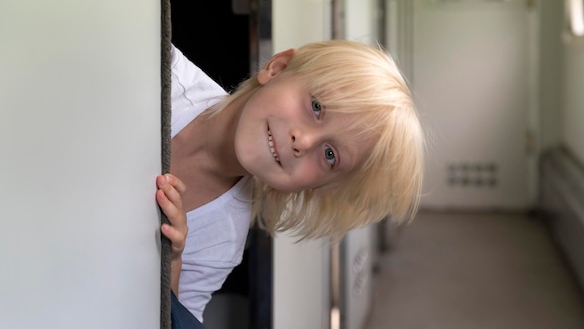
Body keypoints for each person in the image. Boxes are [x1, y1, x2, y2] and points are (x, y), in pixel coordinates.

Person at [158, 39, 426, 327]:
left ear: (317, 187)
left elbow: (174, 320)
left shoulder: (223, 238)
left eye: (330, 155)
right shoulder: (165, 72)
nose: (304, 141)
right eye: (316, 107)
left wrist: (172, 260)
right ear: (277, 68)